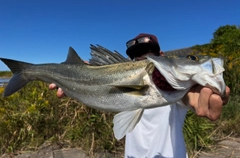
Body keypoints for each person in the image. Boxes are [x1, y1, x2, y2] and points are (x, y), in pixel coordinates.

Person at [49, 33, 230, 158]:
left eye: (150, 57)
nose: (144, 62)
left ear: (161, 56)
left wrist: (200, 95)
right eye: (138, 59)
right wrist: (77, 74)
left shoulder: (181, 89)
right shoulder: (132, 77)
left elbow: (191, 97)